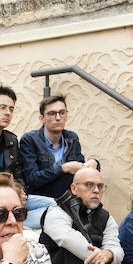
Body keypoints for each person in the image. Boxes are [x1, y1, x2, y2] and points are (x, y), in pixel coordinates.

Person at [18, 94, 89, 226]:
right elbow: (32, 179)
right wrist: (62, 168)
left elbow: (81, 170)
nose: (58, 117)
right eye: (52, 113)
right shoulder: (30, 140)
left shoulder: (71, 138)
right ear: (42, 118)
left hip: (67, 199)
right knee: (63, 210)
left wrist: (94, 163)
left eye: (62, 113)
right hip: (41, 200)